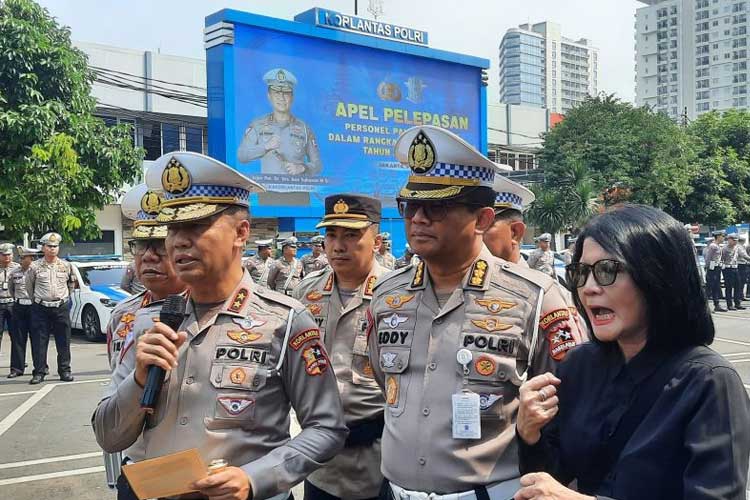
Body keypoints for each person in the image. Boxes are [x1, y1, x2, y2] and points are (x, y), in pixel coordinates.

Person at [93, 151, 346, 500]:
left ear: (241, 232)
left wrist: (254, 478)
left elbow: (327, 428)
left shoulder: (284, 320)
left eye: (196, 226)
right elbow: (109, 436)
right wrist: (138, 380)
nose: (179, 240)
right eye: (173, 228)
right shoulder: (150, 322)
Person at [367, 125, 582, 499]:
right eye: (410, 206)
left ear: (482, 219)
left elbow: (573, 403)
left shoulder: (534, 296)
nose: (418, 219)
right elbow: (381, 377)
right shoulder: (386, 296)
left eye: (435, 207)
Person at [514, 204, 750, 500]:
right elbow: (549, 479)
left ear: (658, 277)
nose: (588, 288)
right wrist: (529, 433)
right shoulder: (579, 365)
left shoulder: (710, 383)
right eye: (581, 272)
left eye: (607, 271)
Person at [294, 194, 388, 500]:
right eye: (331, 235)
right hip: (321, 463)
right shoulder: (306, 291)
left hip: (379, 458)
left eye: (351, 235)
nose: (337, 246)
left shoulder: (397, 295)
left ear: (376, 241)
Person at [100, 183, 189, 500]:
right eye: (141, 245)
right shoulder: (122, 314)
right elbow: (116, 385)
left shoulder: (205, 308)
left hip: (195, 471)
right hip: (138, 462)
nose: (149, 256)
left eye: (159, 245)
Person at [237, 68, 322, 176]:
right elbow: (242, 155)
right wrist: (265, 147)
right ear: (269, 96)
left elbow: (317, 164)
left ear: (292, 97)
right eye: (276, 92)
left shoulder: (305, 128)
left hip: (299, 190)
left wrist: (302, 168)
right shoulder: (258, 125)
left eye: (286, 93)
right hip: (268, 190)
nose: (281, 98)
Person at [26, 232, 76, 384]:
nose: (52, 249)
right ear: (43, 247)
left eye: (55, 246)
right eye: (49, 246)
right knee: (39, 342)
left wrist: (64, 299)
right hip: (41, 308)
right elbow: (29, 286)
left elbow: (71, 285)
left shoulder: (66, 266)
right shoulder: (34, 266)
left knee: (64, 341)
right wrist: (37, 301)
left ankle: (65, 371)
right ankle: (39, 372)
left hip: (60, 306)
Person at [7, 246, 40, 378]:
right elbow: (11, 289)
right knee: (18, 338)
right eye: (21, 257)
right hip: (20, 306)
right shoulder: (14, 272)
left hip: (35, 307)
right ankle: (17, 368)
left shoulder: (38, 272)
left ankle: (41, 366)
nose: (21, 260)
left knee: (38, 339)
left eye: (24, 257)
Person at [0, 243, 20, 375]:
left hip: (13, 304)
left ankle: (16, 366)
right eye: (4, 254)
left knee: (16, 336)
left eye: (9, 254)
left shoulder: (18, 268)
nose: (7, 257)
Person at [704, 230, 726, 312]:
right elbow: (708, 258)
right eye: (722, 236)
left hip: (717, 268)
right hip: (712, 268)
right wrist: (709, 267)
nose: (723, 238)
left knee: (716, 287)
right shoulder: (713, 246)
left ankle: (717, 305)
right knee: (709, 287)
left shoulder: (718, 246)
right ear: (718, 236)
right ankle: (704, 306)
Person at [721, 233, 744, 310]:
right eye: (734, 240)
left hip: (735, 268)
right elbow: (721, 259)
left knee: (738, 286)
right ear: (729, 240)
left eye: (736, 240)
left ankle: (737, 303)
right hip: (727, 269)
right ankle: (729, 305)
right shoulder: (724, 249)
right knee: (729, 287)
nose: (735, 242)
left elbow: (743, 255)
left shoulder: (736, 247)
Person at [737, 235, 749, 300]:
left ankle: (741, 295)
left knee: (743, 281)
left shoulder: (742, 246)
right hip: (740, 265)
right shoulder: (739, 247)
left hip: (743, 264)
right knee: (741, 281)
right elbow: (743, 255)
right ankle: (740, 296)